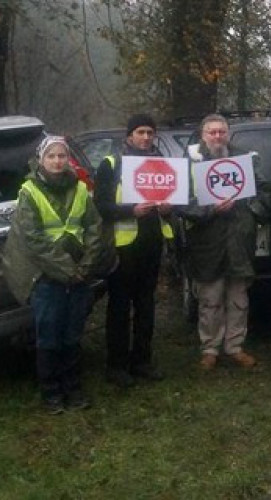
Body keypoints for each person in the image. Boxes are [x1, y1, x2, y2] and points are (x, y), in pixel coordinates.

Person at [2, 137, 115, 413]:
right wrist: (68, 270)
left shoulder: (79, 189)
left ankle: (73, 388)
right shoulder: (29, 192)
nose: (57, 161)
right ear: (41, 160)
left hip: (78, 276)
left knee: (72, 335)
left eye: (61, 156)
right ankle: (52, 393)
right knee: (49, 338)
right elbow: (33, 239)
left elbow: (93, 228)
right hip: (47, 278)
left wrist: (86, 267)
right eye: (51, 156)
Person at [94, 114, 173, 388]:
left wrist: (169, 208)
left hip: (152, 245)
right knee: (118, 308)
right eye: (141, 132)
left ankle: (142, 361)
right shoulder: (111, 164)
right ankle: (116, 366)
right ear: (129, 136)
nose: (146, 137)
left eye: (150, 132)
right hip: (123, 249)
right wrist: (130, 210)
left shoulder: (163, 164)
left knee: (146, 306)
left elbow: (177, 201)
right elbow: (100, 206)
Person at [181, 114, 261, 370]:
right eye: (212, 132)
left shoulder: (243, 159)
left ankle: (235, 347)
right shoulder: (191, 162)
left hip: (238, 241)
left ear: (228, 133)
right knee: (210, 300)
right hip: (207, 243)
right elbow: (181, 202)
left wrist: (251, 210)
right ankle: (210, 349)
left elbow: (260, 193)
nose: (217, 136)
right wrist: (211, 210)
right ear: (203, 134)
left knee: (239, 299)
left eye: (221, 132)